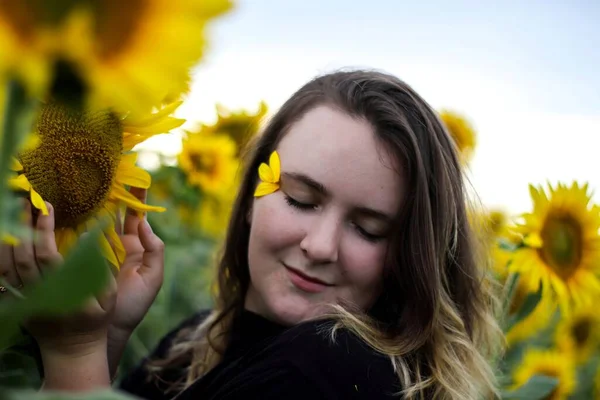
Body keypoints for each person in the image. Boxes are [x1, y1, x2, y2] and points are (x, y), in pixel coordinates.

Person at [0, 69, 501, 399]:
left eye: (368, 229)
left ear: (410, 255)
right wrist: (106, 336)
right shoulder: (199, 341)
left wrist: (75, 352)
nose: (320, 246)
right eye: (301, 200)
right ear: (250, 197)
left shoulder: (330, 373)